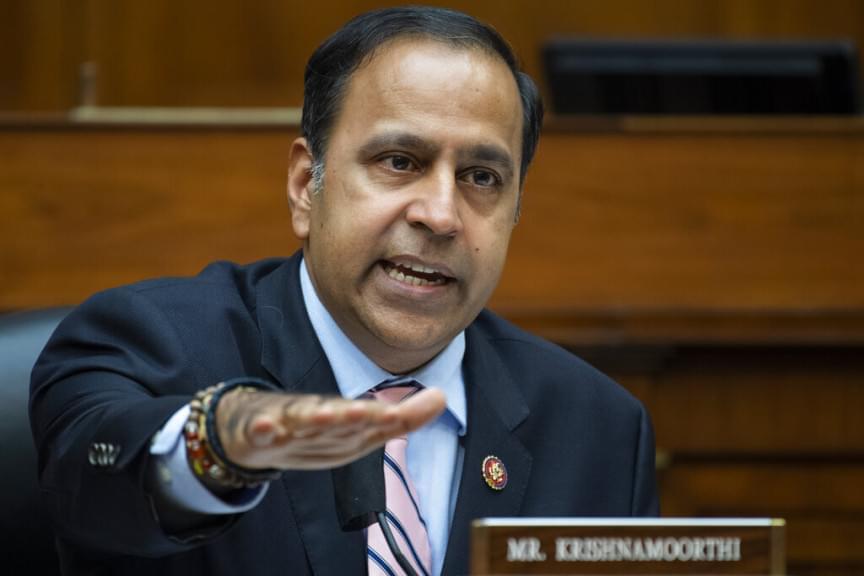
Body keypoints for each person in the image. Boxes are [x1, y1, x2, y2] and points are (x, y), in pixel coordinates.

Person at [30, 6, 658, 576]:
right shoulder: (152, 343)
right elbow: (92, 473)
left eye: (481, 177)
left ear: (516, 209)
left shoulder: (599, 428)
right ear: (307, 186)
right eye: (399, 161)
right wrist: (221, 443)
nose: (441, 214)